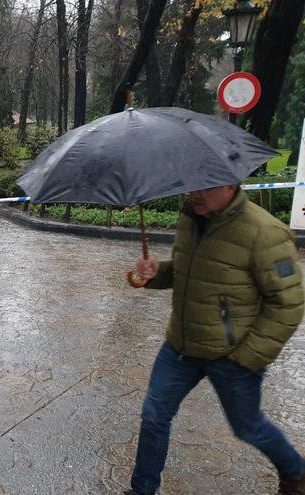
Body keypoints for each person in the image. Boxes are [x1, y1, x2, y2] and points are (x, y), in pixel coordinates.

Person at [125, 184, 305, 495]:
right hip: (180, 346)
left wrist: (251, 354)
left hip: (231, 355)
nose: (196, 192)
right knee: (154, 417)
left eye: (207, 186)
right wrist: (156, 272)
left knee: (247, 427)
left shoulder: (265, 232)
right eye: (193, 184)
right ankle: (143, 490)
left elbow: (288, 302)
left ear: (232, 184)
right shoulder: (191, 219)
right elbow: (189, 273)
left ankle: (297, 473)